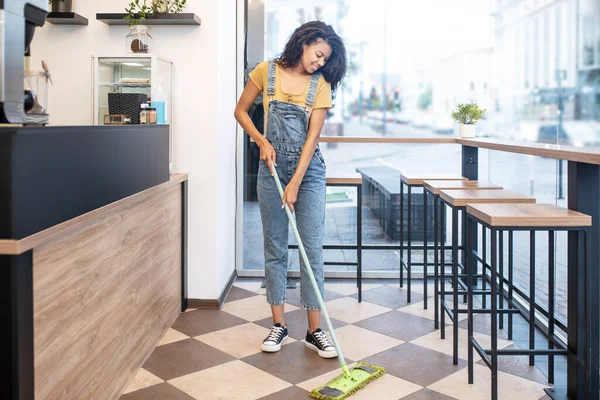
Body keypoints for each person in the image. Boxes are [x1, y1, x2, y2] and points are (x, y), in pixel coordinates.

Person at [234, 21, 347, 358]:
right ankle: (279, 325)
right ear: (304, 42)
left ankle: (315, 331)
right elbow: (240, 111)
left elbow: (312, 139)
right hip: (270, 170)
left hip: (308, 174)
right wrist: (261, 140)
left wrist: (296, 182)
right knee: (275, 248)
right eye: (318, 54)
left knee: (311, 249)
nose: (320, 62)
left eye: (325, 59)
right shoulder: (265, 72)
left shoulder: (321, 85)